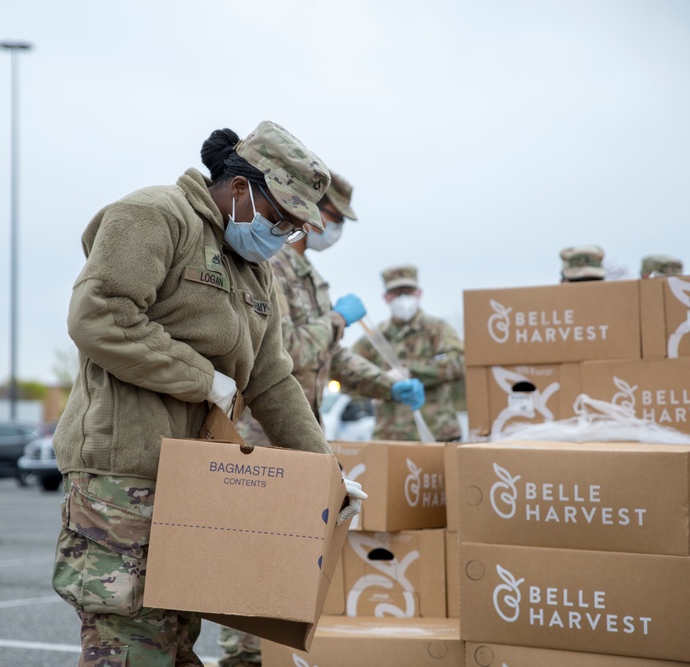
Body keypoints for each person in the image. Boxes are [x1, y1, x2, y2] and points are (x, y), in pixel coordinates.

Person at [49, 121, 366, 667]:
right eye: (279, 218)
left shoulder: (253, 271)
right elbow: (100, 316)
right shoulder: (156, 216)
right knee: (129, 646)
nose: (283, 236)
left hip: (193, 481)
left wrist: (326, 475)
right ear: (241, 188)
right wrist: (205, 380)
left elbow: (272, 378)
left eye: (293, 229)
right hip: (124, 477)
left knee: (174, 644)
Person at [216, 173, 425, 667]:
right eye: (333, 219)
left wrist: (387, 384)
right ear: (310, 214)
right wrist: (335, 320)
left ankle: (268, 653)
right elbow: (284, 351)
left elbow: (332, 359)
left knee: (286, 563)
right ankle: (243, 657)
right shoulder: (273, 263)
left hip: (296, 436)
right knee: (251, 556)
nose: (335, 230)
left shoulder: (311, 277)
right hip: (260, 436)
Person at [351, 265, 466, 442]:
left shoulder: (438, 330)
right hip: (389, 435)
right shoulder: (375, 338)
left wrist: (409, 372)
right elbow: (348, 371)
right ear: (386, 297)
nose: (403, 298)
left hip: (437, 433)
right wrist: (380, 381)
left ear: (419, 293)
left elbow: (456, 364)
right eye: (397, 293)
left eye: (408, 292)